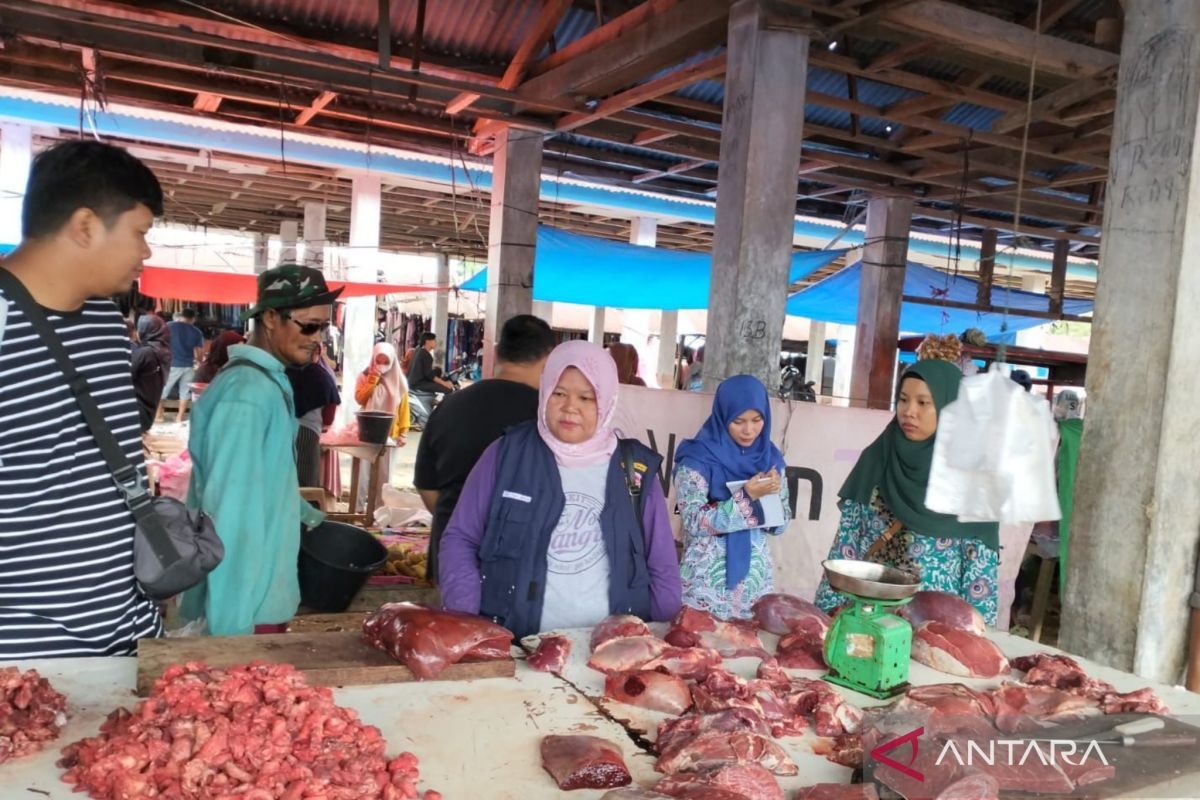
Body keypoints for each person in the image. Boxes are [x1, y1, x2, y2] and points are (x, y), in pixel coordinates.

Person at [0, 139, 164, 657]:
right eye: (139, 232)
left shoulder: (105, 324)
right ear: (86, 225)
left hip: (128, 629)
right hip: (25, 650)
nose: (146, 252)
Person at [439, 340, 682, 638]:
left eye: (586, 398)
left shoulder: (635, 469)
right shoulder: (506, 454)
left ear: (606, 401)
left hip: (610, 652)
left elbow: (663, 565)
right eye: (559, 393)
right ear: (545, 391)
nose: (570, 408)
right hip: (517, 645)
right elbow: (460, 538)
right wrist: (468, 619)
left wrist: (663, 640)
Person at [181, 264, 341, 635]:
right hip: (245, 611)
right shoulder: (247, 395)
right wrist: (231, 635)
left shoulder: (264, 386)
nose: (318, 338)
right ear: (270, 318)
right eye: (309, 325)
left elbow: (261, 482)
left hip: (260, 599)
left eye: (323, 327)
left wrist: (305, 515)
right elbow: (229, 518)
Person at [814, 360, 1001, 624]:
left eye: (923, 403)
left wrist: (976, 642)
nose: (909, 411)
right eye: (903, 400)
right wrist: (823, 620)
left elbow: (980, 578)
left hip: (937, 630)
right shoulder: (876, 460)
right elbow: (846, 548)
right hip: (868, 622)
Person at [414, 314, 555, 584]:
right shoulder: (550, 416)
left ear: (497, 352)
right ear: (549, 359)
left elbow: (427, 486)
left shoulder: (451, 405)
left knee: (450, 627)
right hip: (521, 570)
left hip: (451, 562)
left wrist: (462, 523)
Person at [674, 375, 792, 619]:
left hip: (755, 584)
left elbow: (780, 526)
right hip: (706, 584)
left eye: (757, 420)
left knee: (752, 651)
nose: (749, 430)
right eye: (738, 421)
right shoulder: (696, 459)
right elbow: (694, 521)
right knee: (700, 651)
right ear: (723, 415)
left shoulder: (771, 459)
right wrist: (746, 497)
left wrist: (774, 495)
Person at [287, 344, 341, 488]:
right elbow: (329, 415)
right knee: (306, 484)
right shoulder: (322, 375)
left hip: (282, 430)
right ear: (317, 352)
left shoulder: (285, 370)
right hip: (308, 434)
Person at [159, 308, 204, 423]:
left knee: (163, 390)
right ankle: (179, 417)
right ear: (193, 319)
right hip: (188, 366)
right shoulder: (197, 332)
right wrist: (199, 362)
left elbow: (160, 343)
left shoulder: (168, 326)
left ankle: (159, 415)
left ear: (181, 316)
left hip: (172, 364)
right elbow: (199, 352)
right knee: (185, 392)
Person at [131, 314, 171, 433]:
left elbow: (123, 378)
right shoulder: (164, 352)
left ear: (144, 331)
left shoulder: (145, 353)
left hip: (136, 411)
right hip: (149, 411)